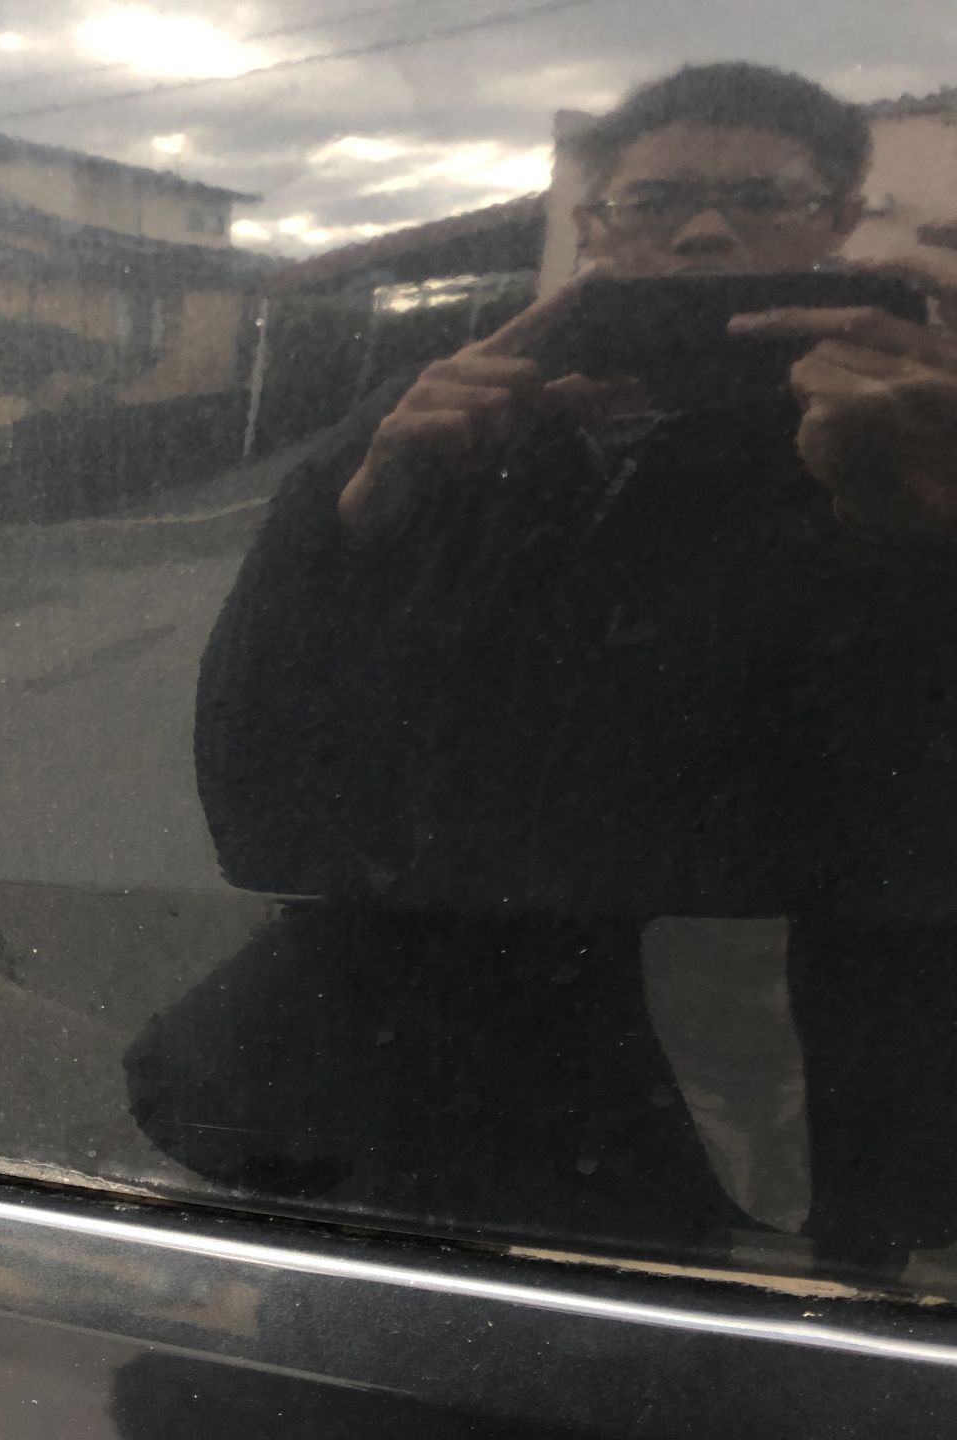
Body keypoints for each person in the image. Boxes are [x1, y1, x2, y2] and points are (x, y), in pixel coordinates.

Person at [133, 62, 957, 1278]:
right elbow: (259, 782)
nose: (706, 229)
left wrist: (929, 535)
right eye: (656, 200)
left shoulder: (914, 420)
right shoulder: (450, 418)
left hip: (801, 1082)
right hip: (439, 1066)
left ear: (839, 219)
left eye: (761, 197)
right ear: (593, 227)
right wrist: (358, 517)